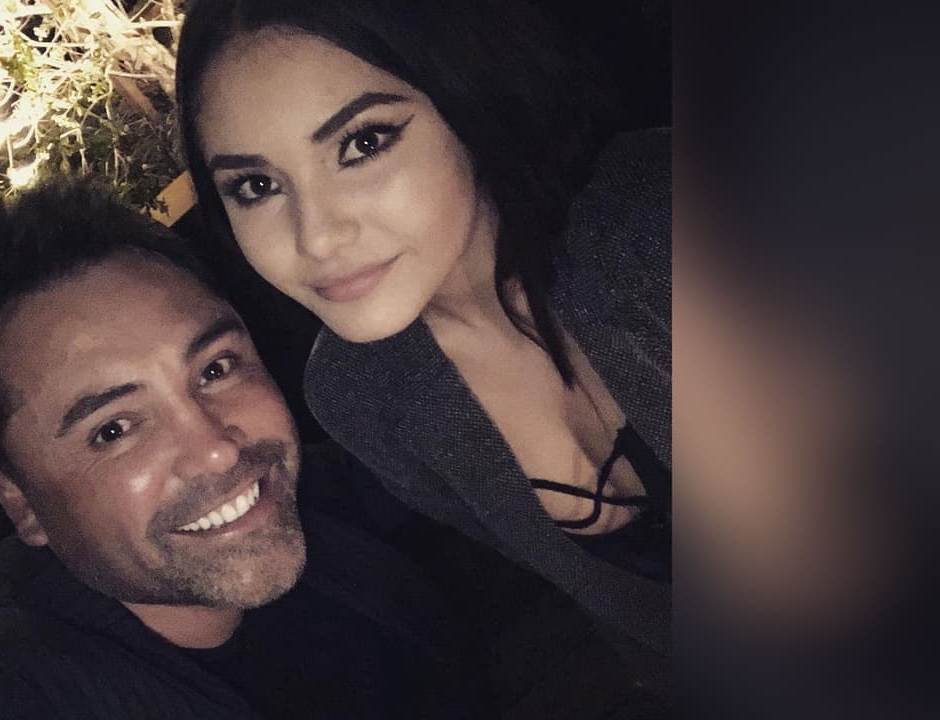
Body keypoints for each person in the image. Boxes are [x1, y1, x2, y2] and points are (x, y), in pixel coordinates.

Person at [175, 0, 671, 678]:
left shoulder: (670, 218)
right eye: (257, 186)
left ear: (467, 101)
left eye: (363, 144)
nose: (317, 237)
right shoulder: (361, 398)